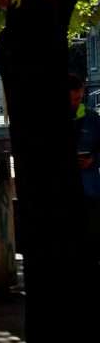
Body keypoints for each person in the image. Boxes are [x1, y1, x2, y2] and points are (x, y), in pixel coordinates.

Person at [71, 74, 100, 260]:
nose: (75, 102)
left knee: (92, 239)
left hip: (89, 190)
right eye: (72, 98)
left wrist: (93, 160)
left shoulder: (91, 118)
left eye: (79, 98)